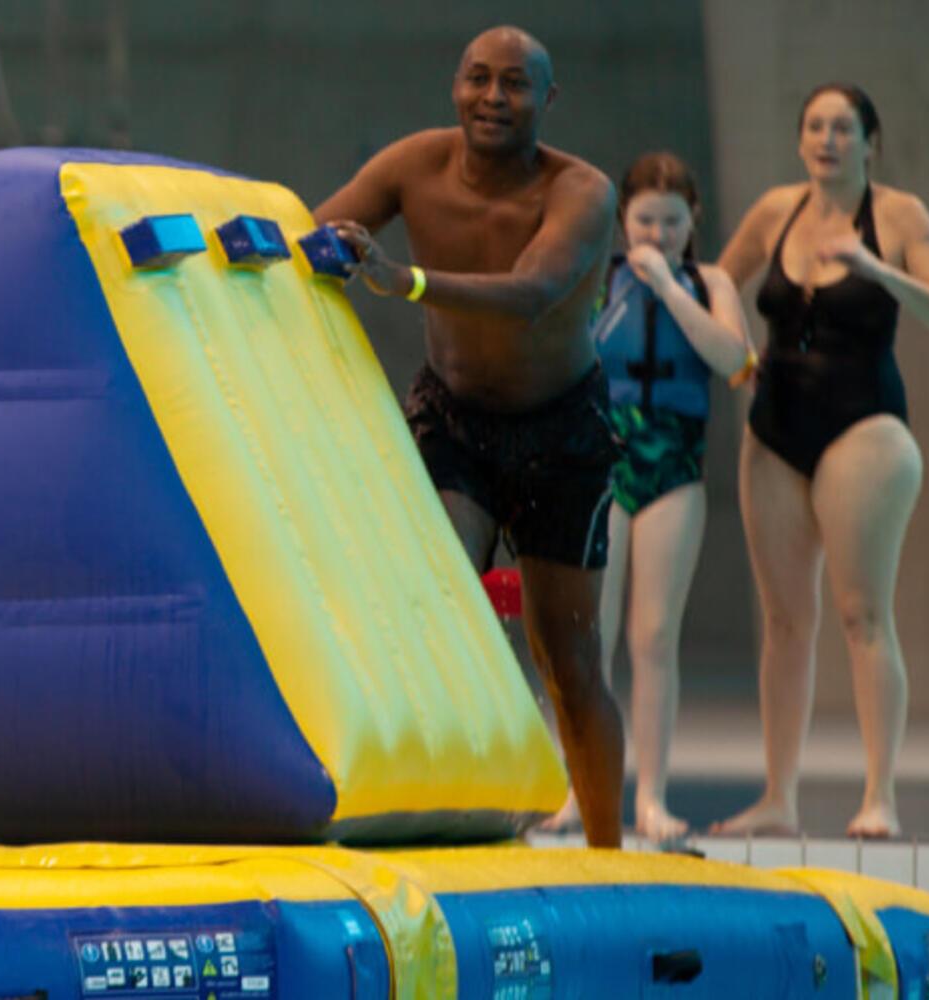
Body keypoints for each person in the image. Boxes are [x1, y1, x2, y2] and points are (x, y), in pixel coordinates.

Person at [313, 25, 627, 848]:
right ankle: (451, 815)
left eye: (515, 84)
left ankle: (607, 853)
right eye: (479, 80)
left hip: (564, 429)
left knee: (570, 660)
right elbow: (314, 232)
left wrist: (401, 280)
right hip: (454, 419)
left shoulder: (581, 192)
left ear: (547, 100)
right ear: (455, 87)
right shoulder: (411, 164)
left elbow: (535, 291)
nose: (494, 97)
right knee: (439, 601)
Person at [708, 83, 929, 840]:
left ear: (870, 143)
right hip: (774, 431)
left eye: (843, 128)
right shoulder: (774, 210)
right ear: (801, 141)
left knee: (862, 614)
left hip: (865, 430)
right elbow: (720, 281)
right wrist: (734, 350)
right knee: (785, 623)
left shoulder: (898, 215)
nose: (827, 139)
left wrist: (877, 268)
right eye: (815, 126)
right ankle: (777, 799)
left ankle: (879, 796)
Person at [578, 152, 756, 844]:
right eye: (645, 220)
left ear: (694, 222)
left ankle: (650, 796)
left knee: (654, 636)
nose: (658, 233)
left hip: (672, 471)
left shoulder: (709, 282)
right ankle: (579, 788)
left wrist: (671, 288)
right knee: (593, 639)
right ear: (622, 221)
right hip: (602, 465)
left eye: (672, 221)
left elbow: (734, 360)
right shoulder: (600, 281)